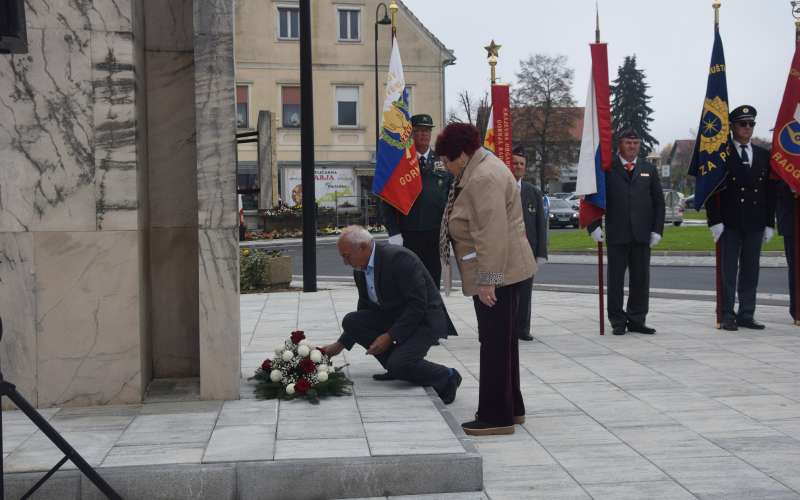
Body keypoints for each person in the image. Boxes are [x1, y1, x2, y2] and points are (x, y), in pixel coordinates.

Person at [437, 123, 535, 436]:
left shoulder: (483, 178)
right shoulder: (479, 169)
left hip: (498, 274)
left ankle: (496, 416)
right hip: (504, 271)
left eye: (447, 160)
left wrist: (488, 280)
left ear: (462, 156)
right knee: (503, 343)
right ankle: (512, 407)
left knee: (493, 344)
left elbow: (491, 233)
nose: (444, 166)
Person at [322, 226, 461, 404]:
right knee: (352, 321)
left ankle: (448, 376)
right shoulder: (360, 268)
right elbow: (365, 306)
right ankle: (396, 366)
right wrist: (340, 345)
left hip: (424, 320)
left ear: (363, 247)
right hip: (395, 317)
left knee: (400, 364)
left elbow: (418, 305)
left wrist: (390, 336)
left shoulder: (398, 259)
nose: (345, 262)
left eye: (347, 256)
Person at [588, 129, 665, 336]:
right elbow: (594, 197)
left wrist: (657, 229)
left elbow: (659, 202)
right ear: (619, 145)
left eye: (636, 143)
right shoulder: (607, 168)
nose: (632, 146)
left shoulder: (648, 168)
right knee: (615, 281)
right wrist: (593, 225)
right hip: (617, 233)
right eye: (628, 143)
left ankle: (637, 319)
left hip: (642, 234)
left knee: (641, 279)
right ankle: (617, 320)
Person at [707, 105, 776, 331]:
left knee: (750, 270)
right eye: (742, 124)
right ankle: (727, 314)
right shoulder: (721, 154)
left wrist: (769, 222)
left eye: (751, 124)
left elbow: (769, 191)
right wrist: (714, 220)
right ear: (733, 127)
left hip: (755, 222)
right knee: (728, 271)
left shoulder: (764, 155)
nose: (747, 128)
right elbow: (711, 189)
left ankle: (747, 313)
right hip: (730, 222)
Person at [381, 113, 452, 287]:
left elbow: (452, 199)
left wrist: (450, 231)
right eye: (419, 130)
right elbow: (387, 200)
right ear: (411, 134)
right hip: (408, 233)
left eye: (427, 131)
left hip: (435, 233)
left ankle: (431, 313)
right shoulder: (400, 162)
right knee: (409, 280)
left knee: (433, 281)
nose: (424, 135)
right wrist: (393, 231)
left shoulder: (443, 161)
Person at [512, 147, 548, 341]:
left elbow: (541, 224)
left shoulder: (533, 192)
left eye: (521, 164)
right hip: (506, 251)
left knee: (525, 292)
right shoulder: (500, 189)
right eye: (514, 163)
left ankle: (523, 329)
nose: (518, 166)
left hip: (528, 250)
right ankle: (506, 327)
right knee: (506, 293)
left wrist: (541, 253)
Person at [776, 179, 797, 322]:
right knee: (795, 267)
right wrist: (792, 184)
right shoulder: (782, 156)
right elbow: (775, 183)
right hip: (791, 219)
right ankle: (797, 309)